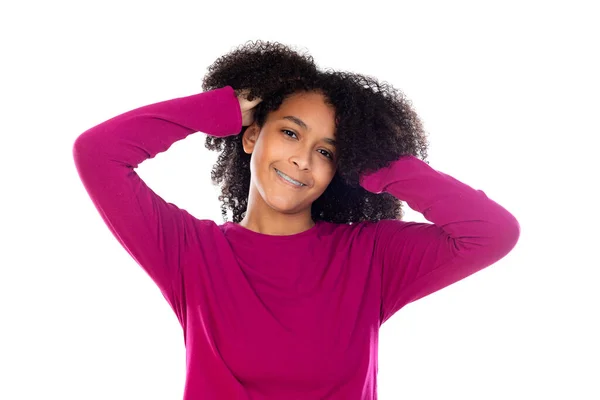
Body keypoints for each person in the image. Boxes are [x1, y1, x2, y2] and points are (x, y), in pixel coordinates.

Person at [72, 40, 520, 399]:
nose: (303, 160)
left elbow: (491, 233)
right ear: (251, 136)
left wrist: (379, 164)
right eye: (290, 132)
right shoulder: (189, 252)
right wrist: (219, 110)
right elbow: (98, 154)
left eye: (326, 151)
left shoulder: (371, 256)